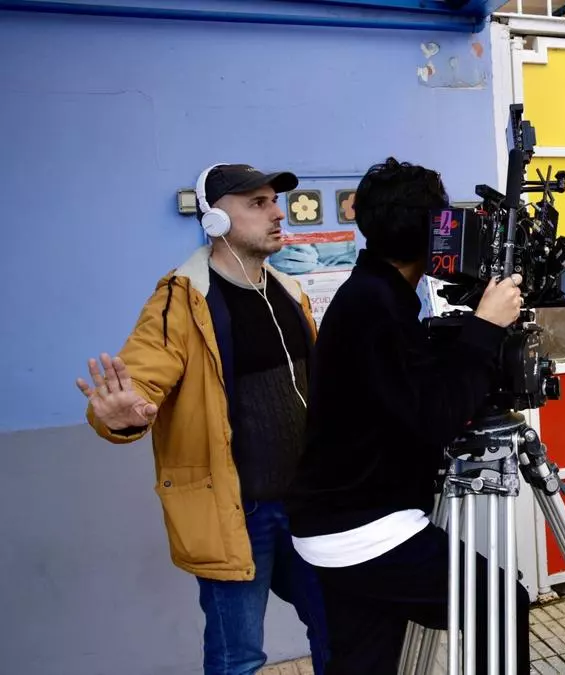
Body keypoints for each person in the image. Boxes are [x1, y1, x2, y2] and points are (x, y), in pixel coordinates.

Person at [75, 163, 330, 675]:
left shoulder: (289, 292)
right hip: (238, 513)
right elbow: (140, 383)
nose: (277, 213)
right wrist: (122, 416)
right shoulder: (180, 300)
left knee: (339, 632)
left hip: (307, 506)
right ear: (214, 219)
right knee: (238, 659)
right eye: (257, 203)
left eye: (274, 202)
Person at [284, 157, 528, 675]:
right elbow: (434, 416)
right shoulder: (376, 308)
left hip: (332, 524)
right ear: (430, 234)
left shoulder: (371, 296)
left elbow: (406, 391)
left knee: (366, 661)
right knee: (502, 602)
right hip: (364, 528)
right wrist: (484, 328)